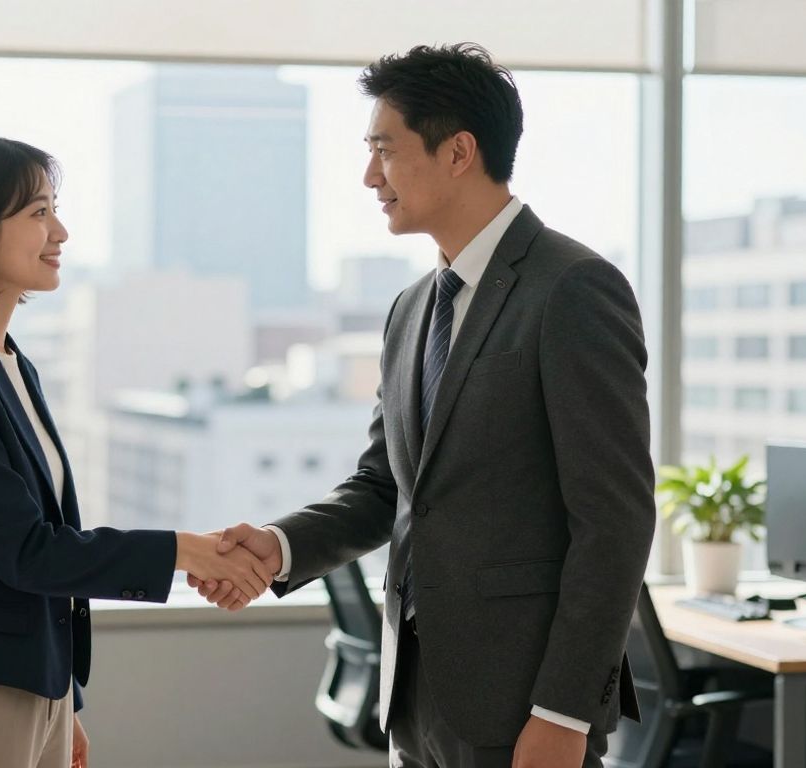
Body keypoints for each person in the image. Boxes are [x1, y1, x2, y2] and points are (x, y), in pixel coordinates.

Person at [191, 44, 655, 768]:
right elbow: (386, 489)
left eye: (385, 150)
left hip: (524, 707)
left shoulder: (573, 289)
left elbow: (615, 520)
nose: (369, 176)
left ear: (459, 151)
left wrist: (564, 711)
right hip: (414, 699)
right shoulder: (411, 309)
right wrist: (279, 546)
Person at [0, 135, 273, 768]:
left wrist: (64, 701)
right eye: (37, 212)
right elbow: (25, 549)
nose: (59, 230)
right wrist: (187, 550)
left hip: (26, 689)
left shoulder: (6, 363)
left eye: (54, 208)